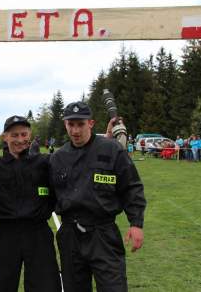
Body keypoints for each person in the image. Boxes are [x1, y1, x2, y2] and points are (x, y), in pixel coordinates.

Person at [50, 101, 146, 292]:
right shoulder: (57, 158)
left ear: (91, 123)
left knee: (114, 287)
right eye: (71, 124)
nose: (75, 130)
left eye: (80, 124)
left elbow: (132, 187)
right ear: (65, 125)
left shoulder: (111, 150)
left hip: (103, 233)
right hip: (70, 236)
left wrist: (136, 224)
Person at [0, 115, 61, 292]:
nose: (20, 140)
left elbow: (75, 162)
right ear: (5, 137)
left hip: (38, 233)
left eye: (24, 134)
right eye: (14, 135)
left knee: (46, 285)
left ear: (30, 135)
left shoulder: (44, 163)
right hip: (6, 235)